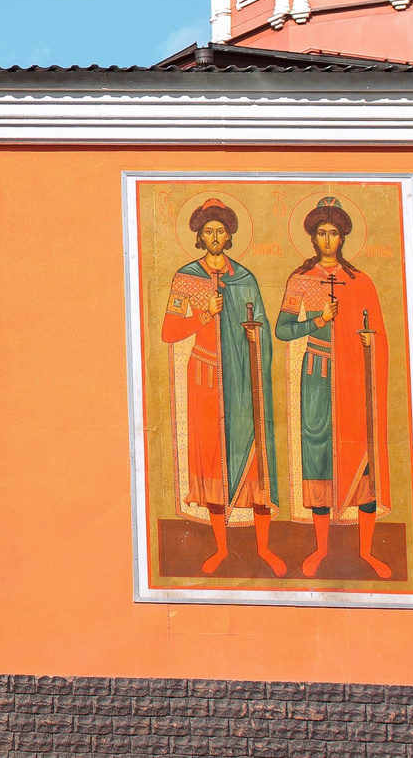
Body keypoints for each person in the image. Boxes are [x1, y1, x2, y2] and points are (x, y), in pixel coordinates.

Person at [157, 200, 284, 574]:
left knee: (255, 463)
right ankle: (221, 548)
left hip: (244, 380)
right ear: (199, 236)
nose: (214, 237)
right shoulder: (187, 277)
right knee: (213, 462)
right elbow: (169, 331)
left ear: (230, 236)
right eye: (207, 231)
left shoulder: (244, 278)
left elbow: (260, 323)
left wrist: (253, 337)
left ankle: (263, 548)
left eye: (221, 230)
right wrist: (204, 313)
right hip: (207, 378)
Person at [272, 197, 395, 579]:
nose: (328, 240)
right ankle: (321, 549)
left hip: (356, 379)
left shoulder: (361, 282)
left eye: (335, 234)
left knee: (364, 460)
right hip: (318, 377)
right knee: (319, 458)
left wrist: (369, 342)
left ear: (343, 238)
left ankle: (367, 552)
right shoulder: (302, 281)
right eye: (322, 233)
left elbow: (379, 335)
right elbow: (282, 329)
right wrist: (317, 321)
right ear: (312, 237)